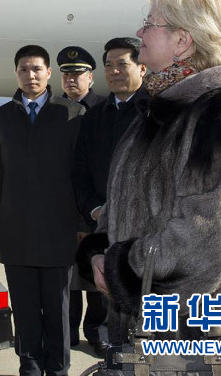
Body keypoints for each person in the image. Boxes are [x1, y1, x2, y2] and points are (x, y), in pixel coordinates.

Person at [77, 0, 221, 375]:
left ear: (182, 40)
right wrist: (99, 251)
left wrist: (122, 269)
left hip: (212, 346)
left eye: (150, 22)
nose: (140, 31)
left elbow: (205, 243)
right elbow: (128, 209)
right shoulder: (157, 114)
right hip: (154, 337)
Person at [0, 45, 85, 375]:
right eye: (24, 69)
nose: (30, 75)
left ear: (49, 73)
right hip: (16, 228)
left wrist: (82, 222)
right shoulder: (2, 117)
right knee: (24, 306)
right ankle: (28, 365)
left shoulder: (71, 113)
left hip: (59, 227)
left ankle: (57, 368)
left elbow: (80, 173)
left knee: (57, 308)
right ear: (16, 74)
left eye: (37, 69)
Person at [70, 38, 146, 356]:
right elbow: (80, 170)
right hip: (103, 224)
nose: (114, 71)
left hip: (146, 229)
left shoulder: (158, 113)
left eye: (122, 64)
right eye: (109, 66)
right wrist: (94, 209)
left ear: (141, 68)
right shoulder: (94, 117)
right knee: (107, 291)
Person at [55, 45, 104, 352]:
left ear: (91, 77)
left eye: (78, 74)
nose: (71, 80)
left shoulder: (104, 109)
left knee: (97, 276)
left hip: (96, 209)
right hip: (62, 210)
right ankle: (67, 330)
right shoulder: (53, 110)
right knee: (67, 278)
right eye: (66, 75)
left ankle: (98, 331)